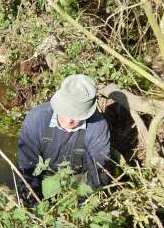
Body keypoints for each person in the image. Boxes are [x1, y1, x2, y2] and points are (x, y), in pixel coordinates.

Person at [17, 74, 111, 202]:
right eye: (66, 112)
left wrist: (79, 203)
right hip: (43, 178)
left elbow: (99, 171)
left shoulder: (98, 126)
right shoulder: (37, 118)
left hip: (78, 183)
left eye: (77, 115)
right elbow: (26, 165)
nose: (69, 120)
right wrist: (35, 202)